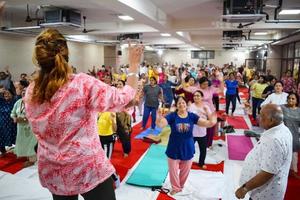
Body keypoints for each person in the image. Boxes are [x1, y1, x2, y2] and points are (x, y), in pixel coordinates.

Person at [24, 29, 142, 200]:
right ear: (66, 53)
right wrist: (133, 66)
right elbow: (124, 97)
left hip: (53, 170)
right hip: (87, 168)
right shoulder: (81, 84)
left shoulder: (31, 91)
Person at [156, 96, 216, 197]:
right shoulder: (172, 116)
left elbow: (209, 123)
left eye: (183, 102)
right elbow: (160, 125)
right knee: (173, 172)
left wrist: (208, 112)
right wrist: (159, 115)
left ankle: (181, 186)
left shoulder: (192, 116)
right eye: (179, 103)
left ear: (186, 105)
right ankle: (175, 187)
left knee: (185, 171)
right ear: (176, 106)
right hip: (173, 148)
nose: (181, 104)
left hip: (188, 148)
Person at [235, 104, 293, 200]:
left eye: (262, 116)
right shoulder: (283, 129)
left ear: (271, 120)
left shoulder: (273, 140)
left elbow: (267, 173)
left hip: (264, 194)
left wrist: (245, 188)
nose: (258, 117)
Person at [11, 88, 37, 166]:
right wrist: (14, 118)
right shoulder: (18, 102)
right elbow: (12, 113)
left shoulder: (33, 103)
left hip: (30, 126)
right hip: (20, 127)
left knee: (31, 143)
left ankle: (32, 160)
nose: (23, 93)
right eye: (22, 91)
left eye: (26, 92)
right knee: (22, 142)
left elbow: (36, 114)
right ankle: (26, 155)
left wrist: (26, 119)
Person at [188, 91, 211, 169]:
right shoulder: (190, 106)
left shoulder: (206, 107)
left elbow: (210, 118)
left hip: (202, 133)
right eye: (194, 96)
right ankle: (186, 162)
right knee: (189, 149)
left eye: (198, 96)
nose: (196, 97)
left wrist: (205, 113)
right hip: (192, 133)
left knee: (203, 150)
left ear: (202, 97)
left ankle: (201, 163)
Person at [280, 93, 300, 178]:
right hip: (283, 134)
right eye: (289, 98)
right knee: (282, 152)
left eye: (293, 99)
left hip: (295, 134)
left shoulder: (299, 110)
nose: (290, 100)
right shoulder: (282, 108)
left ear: (296, 101)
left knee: (294, 153)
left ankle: (294, 171)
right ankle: (280, 170)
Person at [0, 89, 17, 156]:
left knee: (15, 137)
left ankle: (19, 151)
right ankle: (2, 151)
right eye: (5, 94)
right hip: (2, 124)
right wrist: (1, 91)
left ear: (12, 94)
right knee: (1, 137)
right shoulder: (1, 101)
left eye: (8, 93)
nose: (6, 95)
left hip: (12, 123)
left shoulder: (15, 102)